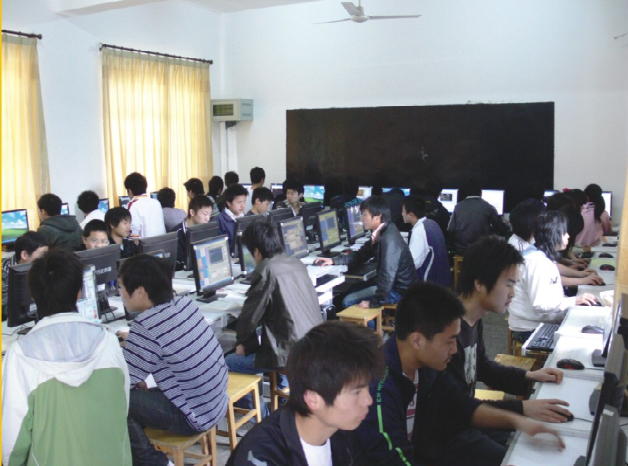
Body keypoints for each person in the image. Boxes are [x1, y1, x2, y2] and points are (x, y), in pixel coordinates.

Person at [355, 282, 565, 466]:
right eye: (449, 341)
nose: (455, 349)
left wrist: (519, 421)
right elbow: (396, 461)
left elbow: (461, 405)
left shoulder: (427, 365)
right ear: (417, 340)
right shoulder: (378, 390)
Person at [2, 250, 131, 466]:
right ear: (80, 292)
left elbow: (13, 439)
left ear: (33, 295)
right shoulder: (109, 342)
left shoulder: (21, 354)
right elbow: (122, 406)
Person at [450, 236, 571, 447]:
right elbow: (458, 408)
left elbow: (482, 367)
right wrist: (522, 410)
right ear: (479, 283)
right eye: (508, 285)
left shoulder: (474, 319)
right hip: (454, 433)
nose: (513, 294)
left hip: (467, 422)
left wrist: (529, 376)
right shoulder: (447, 333)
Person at [117, 254, 228, 466]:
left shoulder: (146, 325)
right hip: (216, 402)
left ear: (140, 291)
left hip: (194, 416)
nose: (120, 293)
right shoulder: (185, 304)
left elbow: (120, 383)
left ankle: (156, 462)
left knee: (117, 400)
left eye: (121, 287)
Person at [226, 320, 385, 466]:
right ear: (313, 399)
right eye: (356, 392)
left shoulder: (346, 429)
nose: (368, 400)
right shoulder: (261, 457)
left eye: (366, 387)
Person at [226, 222, 323, 416]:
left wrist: (244, 344)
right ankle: (284, 397)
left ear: (256, 251)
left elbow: (249, 317)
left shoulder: (266, 269)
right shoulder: (295, 262)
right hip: (313, 346)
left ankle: (262, 417)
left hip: (289, 353)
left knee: (229, 363)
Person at [508, 210, 598, 342]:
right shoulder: (537, 262)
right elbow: (541, 304)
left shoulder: (539, 255)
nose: (568, 236)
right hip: (531, 329)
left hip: (539, 322)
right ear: (554, 234)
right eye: (564, 232)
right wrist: (574, 300)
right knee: (584, 340)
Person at [316, 195, 416, 309]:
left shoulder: (388, 240)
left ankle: (370, 321)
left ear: (378, 216)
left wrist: (374, 303)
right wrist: (334, 261)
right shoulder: (382, 231)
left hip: (398, 291)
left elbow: (387, 276)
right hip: (393, 285)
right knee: (351, 289)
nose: (361, 218)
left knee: (347, 301)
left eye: (364, 214)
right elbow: (360, 255)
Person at [402, 195, 452, 287]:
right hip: (441, 282)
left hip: (427, 286)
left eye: (403, 211)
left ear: (411, 214)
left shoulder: (418, 231)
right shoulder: (432, 224)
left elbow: (412, 264)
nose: (402, 214)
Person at [447, 181, 506, 255]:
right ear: (480, 193)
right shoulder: (488, 207)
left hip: (461, 250)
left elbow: (450, 229)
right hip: (480, 250)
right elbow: (500, 227)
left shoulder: (458, 207)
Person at [2, 231, 48, 320]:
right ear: (25, 255)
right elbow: (9, 310)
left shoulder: (42, 268)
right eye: (43, 254)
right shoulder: (4, 273)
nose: (46, 259)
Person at [124, 171, 166, 238]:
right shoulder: (156, 202)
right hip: (162, 242)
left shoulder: (133, 205)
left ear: (129, 191)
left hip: (146, 244)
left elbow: (134, 233)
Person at [174, 195, 213, 268]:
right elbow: (177, 263)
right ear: (192, 212)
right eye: (205, 214)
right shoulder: (176, 234)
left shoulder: (206, 230)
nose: (208, 219)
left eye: (210, 215)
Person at [216, 183, 248, 255]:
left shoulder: (245, 218)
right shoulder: (219, 221)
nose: (243, 205)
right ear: (229, 203)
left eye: (244, 201)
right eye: (239, 202)